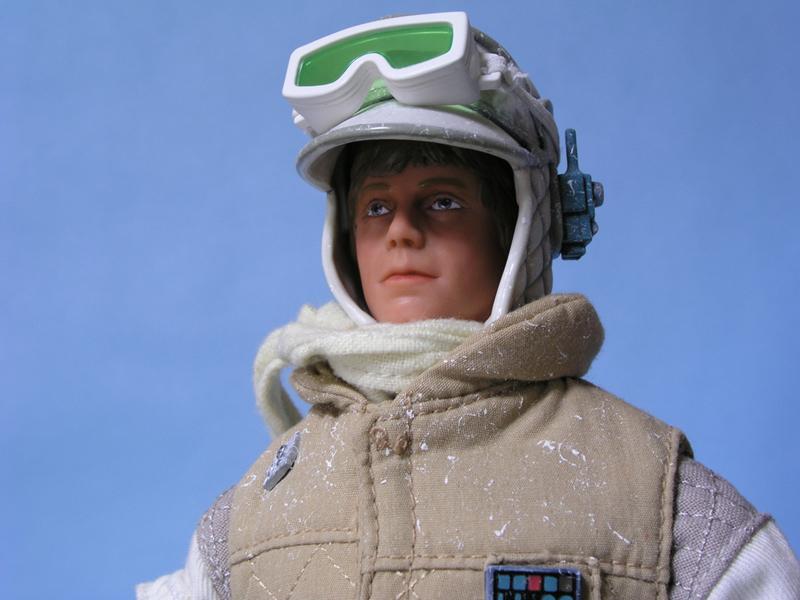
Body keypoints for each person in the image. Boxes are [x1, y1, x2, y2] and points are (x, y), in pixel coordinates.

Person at [137, 12, 800, 600]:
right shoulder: (256, 512)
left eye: (443, 201)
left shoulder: (649, 493)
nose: (402, 231)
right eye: (376, 207)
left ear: (517, 228)